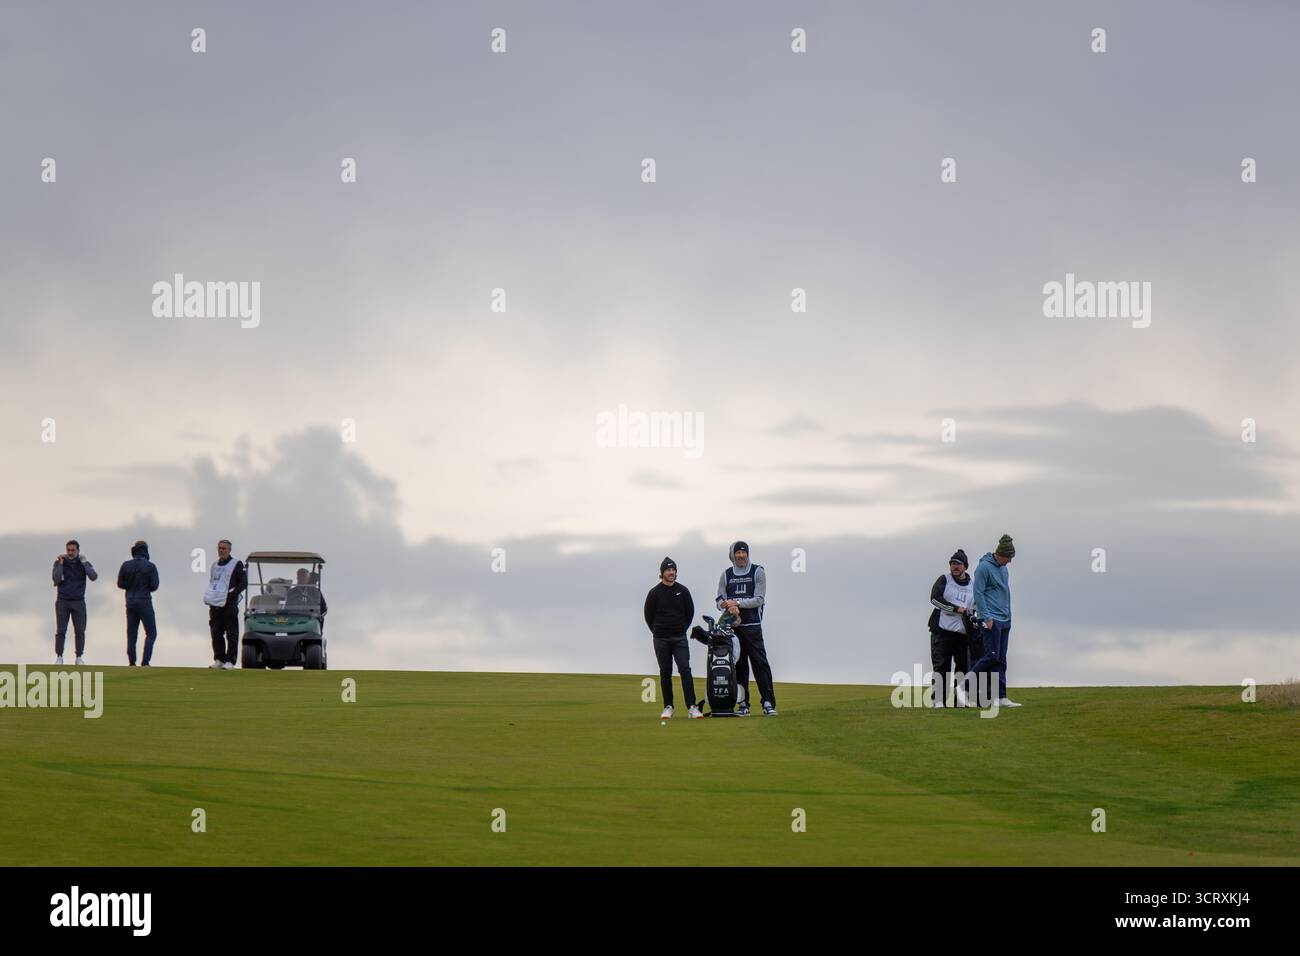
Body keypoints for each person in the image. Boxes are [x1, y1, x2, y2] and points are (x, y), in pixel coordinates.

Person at [716, 541, 777, 716]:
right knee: (739, 666)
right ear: (733, 555)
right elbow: (719, 598)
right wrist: (727, 606)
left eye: (744, 552)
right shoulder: (726, 575)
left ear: (748, 554)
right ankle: (743, 704)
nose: (741, 556)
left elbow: (759, 599)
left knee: (760, 663)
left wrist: (737, 603)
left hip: (753, 627)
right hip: (733, 628)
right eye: (738, 553)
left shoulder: (758, 571)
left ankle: (768, 702)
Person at [643, 557, 701, 719]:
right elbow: (648, 615)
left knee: (685, 670)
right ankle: (668, 707)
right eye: (668, 570)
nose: (671, 572)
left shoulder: (683, 591)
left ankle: (692, 707)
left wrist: (682, 628)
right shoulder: (654, 593)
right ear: (662, 573)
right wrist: (657, 631)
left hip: (679, 638)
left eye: (673, 570)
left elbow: (690, 612)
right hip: (661, 638)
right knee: (665, 672)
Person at [968, 534, 1020, 707]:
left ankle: (1001, 697)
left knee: (1001, 659)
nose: (1009, 561)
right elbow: (978, 593)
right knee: (991, 656)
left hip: (1005, 619)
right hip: (991, 619)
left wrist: (1009, 616)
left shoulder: (1004, 569)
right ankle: (964, 685)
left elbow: (1003, 593)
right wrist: (986, 617)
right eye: (1008, 557)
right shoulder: (983, 568)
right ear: (1000, 554)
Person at [928, 549, 974, 707]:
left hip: (962, 634)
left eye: (958, 564)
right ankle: (938, 700)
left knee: (962, 668)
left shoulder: (973, 585)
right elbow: (935, 599)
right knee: (941, 667)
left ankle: (960, 700)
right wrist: (955, 609)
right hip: (942, 632)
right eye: (953, 563)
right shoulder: (944, 580)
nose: (955, 566)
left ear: (965, 567)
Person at [52, 539, 98, 665]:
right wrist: (61, 564)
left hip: (78, 601)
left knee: (80, 630)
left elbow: (93, 576)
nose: (70, 553)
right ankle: (59, 656)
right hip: (63, 601)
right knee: (61, 630)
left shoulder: (83, 563)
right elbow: (56, 579)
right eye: (68, 550)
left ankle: (79, 657)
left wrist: (84, 564)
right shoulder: (59, 562)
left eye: (73, 550)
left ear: (78, 550)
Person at [204, 539, 246, 669]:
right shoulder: (214, 565)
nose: (221, 550)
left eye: (224, 548)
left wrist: (232, 594)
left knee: (231, 633)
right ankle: (219, 659)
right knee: (216, 633)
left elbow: (243, 583)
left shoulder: (237, 564)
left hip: (229, 605)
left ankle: (230, 661)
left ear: (229, 550)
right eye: (219, 548)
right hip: (215, 605)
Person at [117, 540, 160, 666]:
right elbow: (154, 585)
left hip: (130, 601)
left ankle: (132, 662)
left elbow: (120, 584)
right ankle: (145, 661)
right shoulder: (150, 566)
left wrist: (130, 586)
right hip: (144, 601)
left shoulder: (126, 565)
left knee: (131, 634)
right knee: (151, 632)